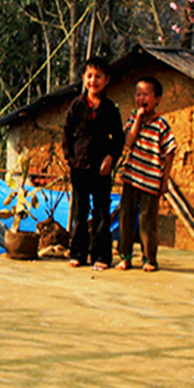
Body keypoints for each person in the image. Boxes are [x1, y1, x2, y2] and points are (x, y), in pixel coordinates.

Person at [62, 55, 125, 270]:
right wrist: (70, 158)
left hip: (101, 170)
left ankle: (101, 256)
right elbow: (67, 134)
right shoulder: (77, 106)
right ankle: (78, 252)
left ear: (107, 80)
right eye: (89, 76)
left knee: (101, 213)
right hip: (79, 167)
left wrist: (110, 158)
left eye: (98, 76)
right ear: (83, 78)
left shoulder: (110, 109)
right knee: (80, 212)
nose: (93, 80)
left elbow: (118, 139)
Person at [116, 76, 177, 272]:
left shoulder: (161, 124)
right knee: (126, 216)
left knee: (147, 221)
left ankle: (149, 259)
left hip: (151, 180)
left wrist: (164, 179)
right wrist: (138, 120)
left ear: (157, 99)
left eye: (146, 94)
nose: (141, 98)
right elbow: (128, 141)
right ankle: (124, 256)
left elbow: (170, 151)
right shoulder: (134, 119)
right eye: (138, 94)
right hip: (132, 177)